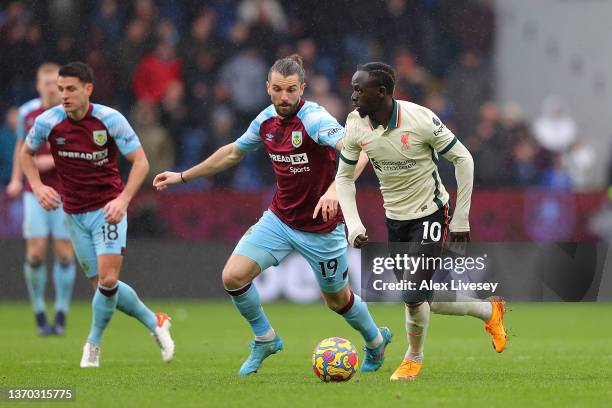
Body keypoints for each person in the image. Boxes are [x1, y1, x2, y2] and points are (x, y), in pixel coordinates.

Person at [153, 55, 392, 376]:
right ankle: (265, 338)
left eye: (291, 90)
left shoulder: (315, 120)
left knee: (337, 301)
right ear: (267, 88)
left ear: (302, 89)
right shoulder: (265, 120)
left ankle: (376, 341)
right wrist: (182, 176)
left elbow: (359, 150)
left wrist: (337, 188)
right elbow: (233, 152)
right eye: (277, 89)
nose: (284, 97)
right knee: (233, 277)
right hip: (279, 220)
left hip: (321, 228)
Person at [335, 62, 507, 381]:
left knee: (412, 296)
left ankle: (413, 358)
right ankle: (489, 311)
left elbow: (464, 159)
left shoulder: (420, 119)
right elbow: (344, 179)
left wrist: (461, 218)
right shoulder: (355, 124)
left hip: (431, 212)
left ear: (382, 92)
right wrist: (354, 224)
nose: (353, 94)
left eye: (360, 88)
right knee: (425, 299)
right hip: (396, 219)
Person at [21, 62, 175, 368]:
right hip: (73, 213)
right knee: (104, 287)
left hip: (108, 210)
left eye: (70, 89)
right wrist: (37, 187)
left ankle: (92, 344)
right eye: (61, 89)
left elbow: (141, 162)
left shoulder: (109, 120)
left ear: (87, 90)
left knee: (107, 279)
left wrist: (123, 200)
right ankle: (155, 321)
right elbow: (26, 154)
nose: (63, 95)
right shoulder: (47, 121)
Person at [5, 63, 77, 336]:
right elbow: (21, 149)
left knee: (63, 252)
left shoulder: (71, 112)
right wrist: (15, 179)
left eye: (55, 82)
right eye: (46, 82)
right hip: (33, 190)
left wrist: (49, 160)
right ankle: (38, 312)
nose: (51, 87)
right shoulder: (27, 112)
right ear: (38, 85)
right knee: (35, 252)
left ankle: (60, 314)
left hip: (64, 191)